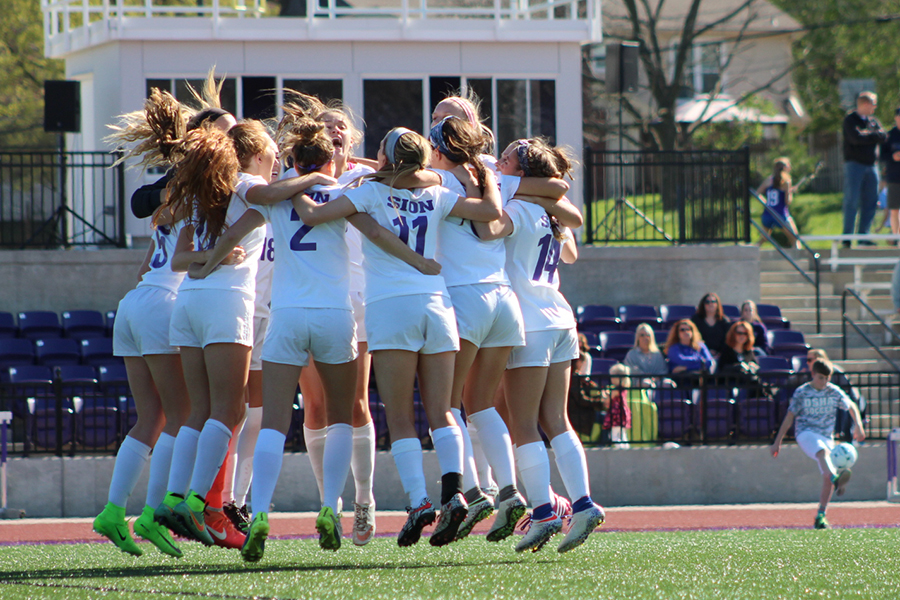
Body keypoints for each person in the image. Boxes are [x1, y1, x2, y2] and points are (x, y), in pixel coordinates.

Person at [289, 127, 504, 547]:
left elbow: (313, 215)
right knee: (443, 411)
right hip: (437, 306)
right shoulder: (438, 192)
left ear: (386, 158)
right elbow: (490, 211)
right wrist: (489, 178)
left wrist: (295, 185)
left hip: (391, 308)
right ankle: (454, 491)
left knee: (401, 415)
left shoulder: (368, 192)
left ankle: (419, 502)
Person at [476, 137, 605, 554]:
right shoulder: (552, 213)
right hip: (560, 318)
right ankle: (582, 503)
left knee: (524, 423)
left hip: (529, 324)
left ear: (523, 172)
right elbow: (569, 250)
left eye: (508, 158)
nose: (499, 161)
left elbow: (488, 227)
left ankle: (545, 511)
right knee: (557, 419)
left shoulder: (516, 207)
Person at [771, 359, 865, 529]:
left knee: (826, 477)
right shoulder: (802, 392)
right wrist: (777, 442)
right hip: (806, 433)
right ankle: (836, 478)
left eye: (827, 378)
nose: (824, 382)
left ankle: (821, 515)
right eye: (821, 378)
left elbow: (851, 405)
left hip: (826, 436)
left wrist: (858, 425)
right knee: (822, 452)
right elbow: (789, 417)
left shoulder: (833, 391)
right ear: (813, 374)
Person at [842, 91, 887, 245]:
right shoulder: (850, 120)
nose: (874, 108)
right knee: (852, 200)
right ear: (865, 104)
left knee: (871, 200)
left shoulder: (873, 121)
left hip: (871, 166)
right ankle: (847, 237)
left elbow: (883, 136)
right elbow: (855, 138)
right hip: (855, 165)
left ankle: (863, 236)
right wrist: (872, 136)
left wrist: (867, 134)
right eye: (873, 105)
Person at [757, 158, 801, 250]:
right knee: (795, 239)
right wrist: (790, 192)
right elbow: (787, 201)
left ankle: (751, 251)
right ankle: (798, 259)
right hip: (781, 214)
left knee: (764, 238)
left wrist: (766, 203)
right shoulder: (786, 181)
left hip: (767, 214)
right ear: (785, 168)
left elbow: (757, 194)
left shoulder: (768, 180)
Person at [600, 364, 633, 447]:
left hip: (616, 414)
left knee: (615, 436)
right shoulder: (623, 387)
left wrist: (605, 395)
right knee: (622, 434)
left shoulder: (616, 389)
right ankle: (626, 450)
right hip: (622, 413)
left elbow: (608, 400)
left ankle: (621, 451)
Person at [880, 107, 900, 237]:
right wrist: (893, 156)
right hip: (894, 177)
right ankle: (896, 238)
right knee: (894, 209)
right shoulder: (890, 135)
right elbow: (882, 156)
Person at [690, 293, 730, 358]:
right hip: (699, 354)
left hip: (720, 355)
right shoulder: (695, 320)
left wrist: (719, 353)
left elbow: (727, 341)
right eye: (707, 302)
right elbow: (693, 339)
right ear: (703, 304)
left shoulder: (724, 321)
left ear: (717, 304)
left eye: (713, 302)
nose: (710, 304)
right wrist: (706, 352)